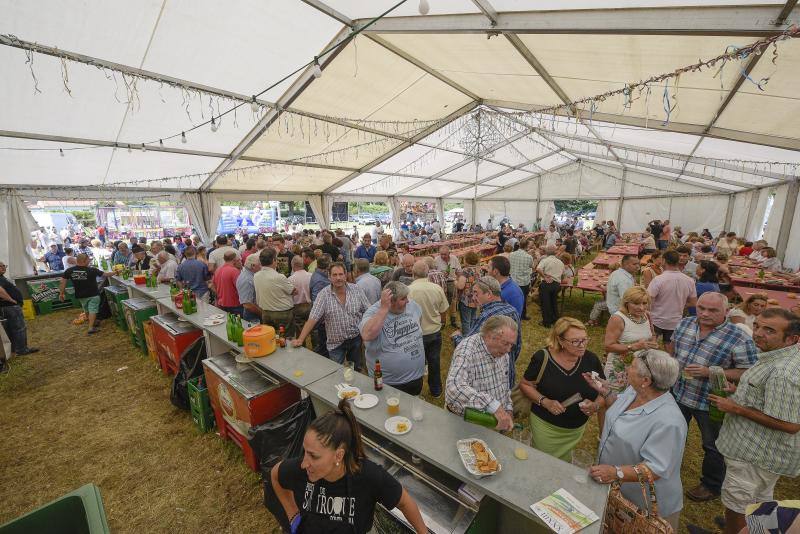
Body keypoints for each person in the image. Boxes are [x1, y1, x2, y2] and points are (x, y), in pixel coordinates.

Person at [270, 399, 428, 534]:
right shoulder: (302, 469)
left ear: (338, 455)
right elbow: (275, 474)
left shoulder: (367, 476)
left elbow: (405, 502)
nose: (304, 463)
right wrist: (293, 516)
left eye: (313, 456)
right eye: (305, 452)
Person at [711, 308, 800, 534]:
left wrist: (736, 408)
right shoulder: (780, 355)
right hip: (762, 457)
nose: (758, 333)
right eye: (757, 326)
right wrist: (739, 391)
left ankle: (736, 528)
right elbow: (772, 399)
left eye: (769, 330)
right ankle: (753, 528)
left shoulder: (783, 373)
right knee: (759, 503)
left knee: (737, 504)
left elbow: (790, 425)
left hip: (755, 457)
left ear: (791, 338)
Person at [581, 349, 687, 532]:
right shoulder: (634, 391)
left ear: (646, 381)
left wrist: (616, 473)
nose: (627, 368)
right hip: (618, 492)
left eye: (632, 366)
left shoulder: (670, 422)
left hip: (643, 505)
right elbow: (621, 411)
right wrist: (605, 392)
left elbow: (656, 468)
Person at [670, 292, 758, 502]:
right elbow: (673, 349)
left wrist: (711, 372)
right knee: (671, 435)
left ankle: (711, 484)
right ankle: (667, 467)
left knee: (713, 445)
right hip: (678, 393)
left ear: (726, 311)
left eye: (713, 310)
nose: (704, 313)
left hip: (709, 402)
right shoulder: (685, 324)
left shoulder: (739, 337)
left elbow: (747, 371)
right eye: (701, 308)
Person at [518, 317, 604, 462]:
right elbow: (525, 384)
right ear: (560, 340)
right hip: (546, 428)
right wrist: (545, 402)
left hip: (575, 431)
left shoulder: (591, 360)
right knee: (542, 463)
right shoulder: (542, 358)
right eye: (575, 341)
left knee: (562, 466)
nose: (582, 345)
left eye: (585, 339)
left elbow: (603, 391)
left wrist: (596, 405)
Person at [445, 315, 517, 431]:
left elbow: (504, 384)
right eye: (506, 343)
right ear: (490, 336)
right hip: (468, 423)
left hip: (494, 422)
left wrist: (508, 408)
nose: (509, 350)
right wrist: (493, 405)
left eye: (511, 345)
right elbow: (454, 388)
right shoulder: (466, 350)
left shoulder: (503, 354)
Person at [294, 263, 369, 369]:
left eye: (340, 274)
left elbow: (368, 311)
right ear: (329, 277)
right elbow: (312, 318)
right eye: (334, 275)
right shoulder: (323, 295)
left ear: (345, 275)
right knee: (336, 373)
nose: (338, 278)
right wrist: (301, 339)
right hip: (335, 343)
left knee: (356, 370)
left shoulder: (357, 290)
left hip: (355, 339)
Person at [451, 277, 521, 388]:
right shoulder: (512, 310)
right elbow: (517, 347)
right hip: (508, 375)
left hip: (490, 380)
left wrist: (456, 337)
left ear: (488, 294)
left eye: (476, 293)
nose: (473, 298)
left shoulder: (488, 317)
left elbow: (467, 347)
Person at [359, 283, 425, 395]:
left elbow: (419, 321)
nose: (408, 301)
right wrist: (384, 309)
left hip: (416, 378)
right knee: (390, 410)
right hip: (389, 383)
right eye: (403, 299)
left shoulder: (412, 306)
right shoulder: (374, 312)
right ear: (390, 301)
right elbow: (367, 335)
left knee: (413, 409)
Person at [603, 286, 658, 392]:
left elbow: (653, 335)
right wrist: (632, 347)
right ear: (626, 303)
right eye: (636, 304)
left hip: (640, 369)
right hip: (619, 369)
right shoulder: (618, 319)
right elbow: (608, 346)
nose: (641, 308)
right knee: (615, 401)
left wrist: (653, 343)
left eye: (644, 303)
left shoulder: (647, 315)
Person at [408, 261, 449, 397]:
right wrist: (442, 322)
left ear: (413, 273)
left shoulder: (409, 290)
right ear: (428, 273)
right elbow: (443, 310)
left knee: (414, 364)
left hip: (415, 333)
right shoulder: (436, 288)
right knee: (434, 361)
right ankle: (436, 390)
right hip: (433, 331)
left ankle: (415, 391)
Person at [647, 250, 697, 343]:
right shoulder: (689, 280)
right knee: (670, 348)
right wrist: (680, 304)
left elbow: (649, 301)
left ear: (664, 261)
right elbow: (693, 302)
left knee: (651, 345)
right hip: (675, 320)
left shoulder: (658, 280)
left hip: (657, 319)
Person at [59, 253, 113, 335]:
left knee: (87, 309)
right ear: (84, 261)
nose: (89, 261)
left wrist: (61, 293)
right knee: (93, 310)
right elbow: (106, 275)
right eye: (88, 259)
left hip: (80, 295)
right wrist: (116, 272)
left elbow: (63, 282)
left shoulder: (70, 271)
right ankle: (91, 327)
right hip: (93, 294)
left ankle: (92, 322)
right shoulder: (92, 270)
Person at [0, 261, 39, 357]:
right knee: (19, 328)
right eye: (0, 266)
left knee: (11, 328)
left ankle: (14, 349)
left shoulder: (2, 278)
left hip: (7, 307)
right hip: (10, 306)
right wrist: (11, 300)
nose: (3, 267)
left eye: (4, 266)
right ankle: (22, 349)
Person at [254, 248, 296, 336]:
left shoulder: (256, 276)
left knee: (270, 337)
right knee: (286, 339)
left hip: (266, 312)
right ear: (274, 260)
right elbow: (293, 291)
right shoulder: (279, 277)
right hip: (282, 313)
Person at [536, 245, 565, 328]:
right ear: (555, 252)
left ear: (546, 252)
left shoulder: (545, 260)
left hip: (546, 284)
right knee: (554, 302)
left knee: (546, 304)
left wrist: (544, 277)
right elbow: (563, 274)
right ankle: (555, 319)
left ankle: (547, 322)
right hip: (556, 284)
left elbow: (538, 269)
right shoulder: (560, 262)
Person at [433, 246, 460, 327]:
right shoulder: (436, 260)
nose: (443, 256)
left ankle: (453, 321)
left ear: (449, 253)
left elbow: (458, 271)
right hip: (441, 283)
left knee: (453, 302)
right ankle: (443, 322)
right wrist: (441, 274)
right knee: (442, 303)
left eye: (445, 254)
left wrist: (458, 281)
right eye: (441, 254)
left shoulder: (454, 259)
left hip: (452, 281)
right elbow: (433, 272)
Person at [211, 251, 242, 315]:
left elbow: (212, 286)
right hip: (234, 304)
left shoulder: (218, 270)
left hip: (221, 303)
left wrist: (219, 295)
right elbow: (240, 288)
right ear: (234, 260)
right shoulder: (234, 271)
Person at [455, 251, 480, 333]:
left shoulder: (465, 271)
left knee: (466, 321)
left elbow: (460, 286)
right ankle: (473, 336)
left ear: (466, 260)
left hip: (466, 299)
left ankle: (467, 339)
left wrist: (455, 281)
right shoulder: (478, 270)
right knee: (473, 319)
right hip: (476, 298)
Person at [508, 238, 533, 320]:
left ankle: (511, 313)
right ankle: (522, 315)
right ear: (526, 246)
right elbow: (531, 266)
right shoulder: (529, 257)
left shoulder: (511, 254)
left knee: (511, 298)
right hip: (523, 281)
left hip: (513, 280)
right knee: (523, 299)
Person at [288, 255, 312, 334]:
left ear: (293, 265)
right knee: (312, 328)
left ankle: (301, 344)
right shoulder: (311, 276)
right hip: (310, 305)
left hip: (297, 308)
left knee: (299, 331)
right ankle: (315, 345)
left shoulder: (290, 279)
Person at [236, 254, 263, 323]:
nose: (261, 267)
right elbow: (247, 305)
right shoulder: (247, 280)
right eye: (260, 264)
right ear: (253, 266)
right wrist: (262, 313)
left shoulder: (250, 275)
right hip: (253, 316)